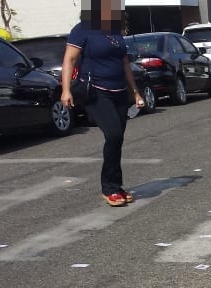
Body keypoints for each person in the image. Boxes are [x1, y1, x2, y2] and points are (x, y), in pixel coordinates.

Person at [61, 1, 145, 207]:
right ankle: (109, 188)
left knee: (117, 139)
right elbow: (69, 59)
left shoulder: (115, 31)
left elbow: (124, 64)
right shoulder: (83, 29)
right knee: (113, 134)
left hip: (119, 92)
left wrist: (135, 92)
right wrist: (66, 90)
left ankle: (116, 185)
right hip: (97, 91)